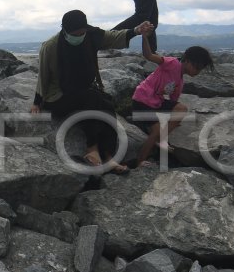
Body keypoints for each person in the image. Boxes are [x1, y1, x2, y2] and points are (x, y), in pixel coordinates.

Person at [31, 9, 154, 172]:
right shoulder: (51, 46)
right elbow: (43, 75)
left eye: (82, 32)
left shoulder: (91, 35)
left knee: (107, 105)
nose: (80, 36)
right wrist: (37, 102)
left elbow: (113, 37)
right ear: (65, 31)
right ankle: (92, 148)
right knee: (91, 99)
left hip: (82, 91)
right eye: (76, 33)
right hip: (58, 95)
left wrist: (136, 31)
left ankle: (110, 156)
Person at [129, 36, 213, 167]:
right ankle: (140, 161)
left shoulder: (179, 82)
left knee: (181, 109)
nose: (197, 72)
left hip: (156, 103)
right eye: (196, 67)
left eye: (200, 69)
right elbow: (148, 55)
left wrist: (174, 121)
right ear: (187, 61)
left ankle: (159, 139)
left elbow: (174, 103)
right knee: (157, 130)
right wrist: (145, 36)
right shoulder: (172, 63)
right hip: (142, 100)